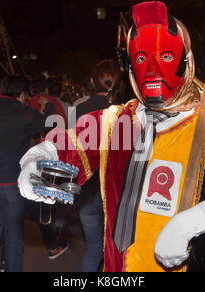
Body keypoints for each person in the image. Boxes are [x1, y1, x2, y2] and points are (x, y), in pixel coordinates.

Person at [19, 1, 205, 272]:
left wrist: (188, 225)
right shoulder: (115, 122)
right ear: (131, 68)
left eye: (165, 56)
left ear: (184, 62)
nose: (152, 69)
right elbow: (67, 146)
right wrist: (36, 163)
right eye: (142, 58)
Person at [0, 75, 53, 272]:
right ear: (21, 94)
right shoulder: (24, 113)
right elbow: (46, 124)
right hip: (13, 182)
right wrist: (45, 107)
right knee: (13, 231)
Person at [73, 59, 123, 272]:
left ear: (93, 81)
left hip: (88, 190)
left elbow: (73, 152)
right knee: (120, 251)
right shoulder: (125, 111)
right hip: (117, 192)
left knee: (93, 248)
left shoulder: (77, 110)